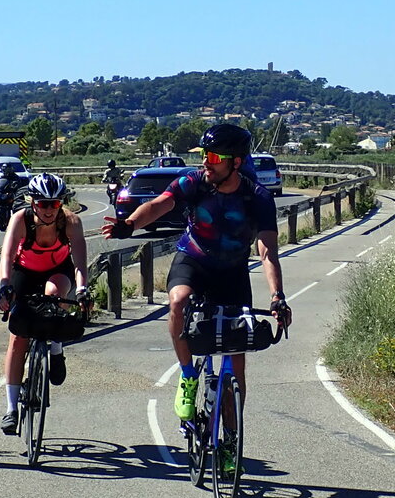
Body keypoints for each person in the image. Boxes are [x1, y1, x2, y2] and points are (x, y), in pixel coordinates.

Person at [101, 122, 291, 421]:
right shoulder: (194, 182)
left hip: (232, 272)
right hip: (194, 260)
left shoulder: (257, 197)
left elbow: (267, 251)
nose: (205, 162)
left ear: (236, 162)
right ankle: (188, 375)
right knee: (178, 301)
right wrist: (130, 224)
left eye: (213, 157)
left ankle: (231, 435)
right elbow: (159, 204)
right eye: (204, 154)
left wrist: (277, 296)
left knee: (236, 361)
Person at [0, 173, 92, 434]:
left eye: (55, 203)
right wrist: (4, 286)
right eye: (43, 204)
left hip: (58, 270)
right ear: (33, 202)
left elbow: (79, 263)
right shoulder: (20, 220)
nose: (49, 209)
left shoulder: (71, 222)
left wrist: (82, 289)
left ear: (62, 203)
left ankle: (56, 348)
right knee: (18, 337)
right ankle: (11, 409)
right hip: (24, 272)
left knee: (54, 295)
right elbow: (6, 256)